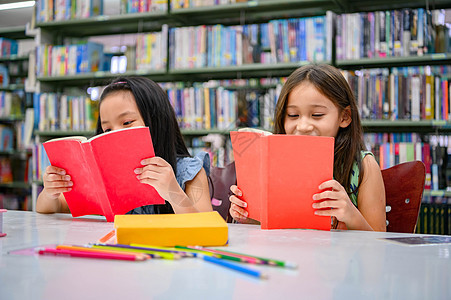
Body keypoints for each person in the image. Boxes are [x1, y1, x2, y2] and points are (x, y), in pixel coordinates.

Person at [229, 64, 387, 231]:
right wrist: (249, 216)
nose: (303, 125)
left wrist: (350, 214)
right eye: (293, 115)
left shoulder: (364, 166)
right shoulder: (275, 166)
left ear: (344, 117)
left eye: (317, 115)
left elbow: (379, 242)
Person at [37, 77, 213, 215]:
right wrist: (50, 192)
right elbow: (51, 208)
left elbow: (206, 229)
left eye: (127, 122)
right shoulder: (104, 175)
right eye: (107, 129)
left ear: (157, 121)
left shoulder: (188, 171)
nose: (115, 134)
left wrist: (172, 191)